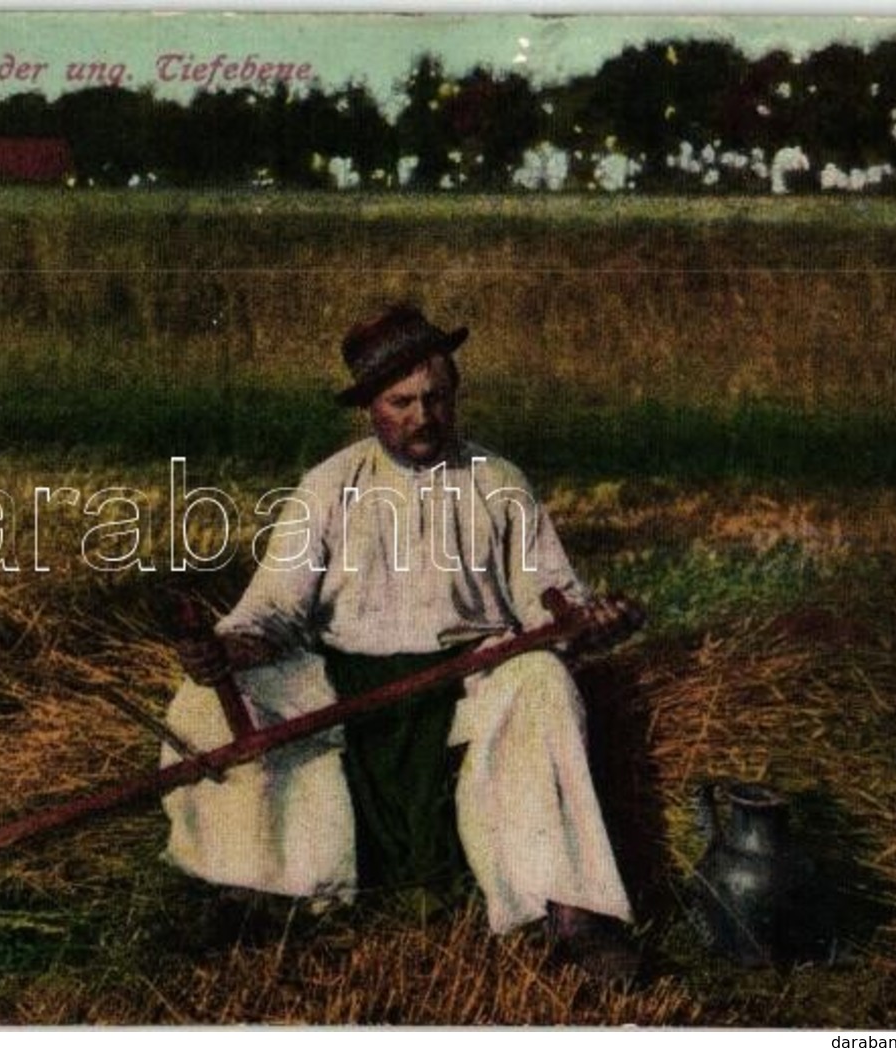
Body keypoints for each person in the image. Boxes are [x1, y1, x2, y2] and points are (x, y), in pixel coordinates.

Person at [165, 303, 639, 982]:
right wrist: (227, 652)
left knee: (542, 681)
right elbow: (271, 609)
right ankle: (249, 888)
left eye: (436, 398)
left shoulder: (497, 484)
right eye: (402, 401)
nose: (423, 416)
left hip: (468, 683)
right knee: (203, 701)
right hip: (344, 687)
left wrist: (583, 621)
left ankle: (570, 914)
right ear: (369, 407)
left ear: (455, 396)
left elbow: (549, 596)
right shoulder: (328, 488)